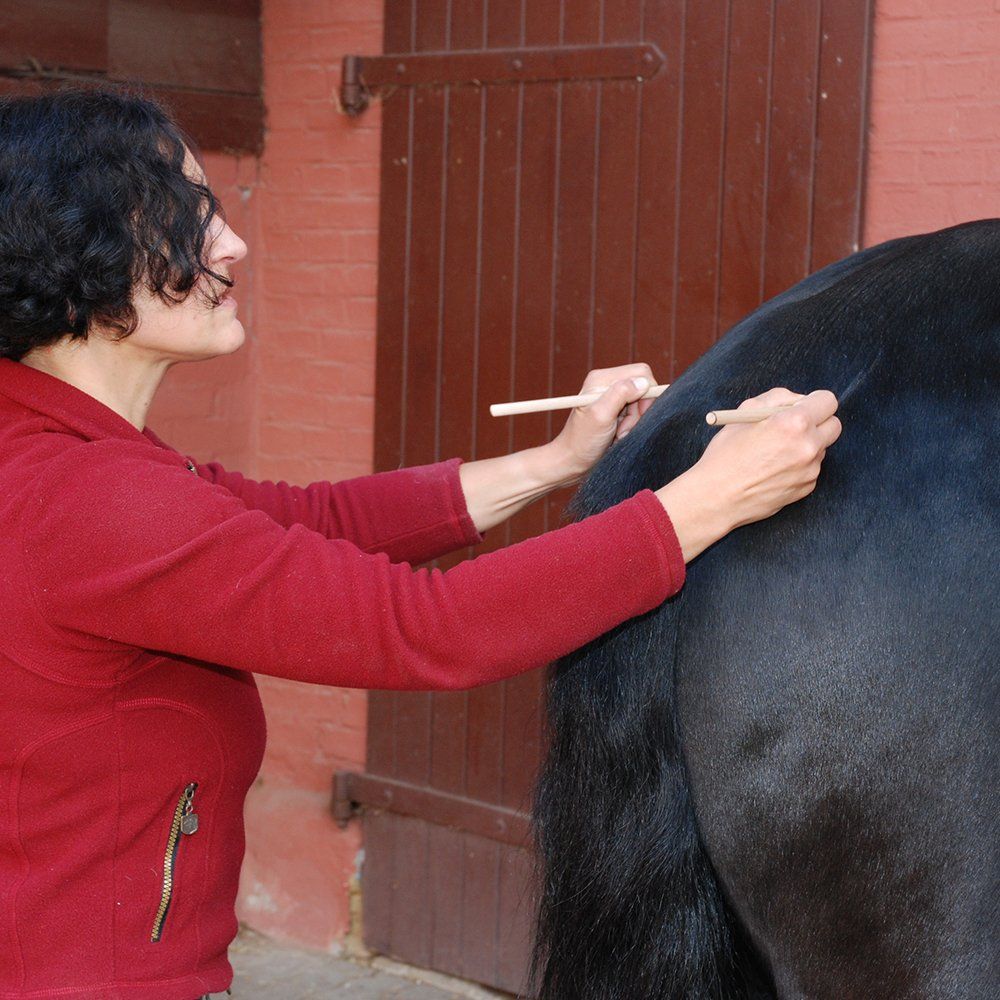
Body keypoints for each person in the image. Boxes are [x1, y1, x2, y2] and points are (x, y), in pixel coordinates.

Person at [0, 88, 841, 1000]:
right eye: (190, 216)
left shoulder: (63, 455)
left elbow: (311, 522)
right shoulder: (90, 500)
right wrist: (706, 501)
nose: (232, 245)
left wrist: (558, 461)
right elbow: (426, 628)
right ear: (78, 245)